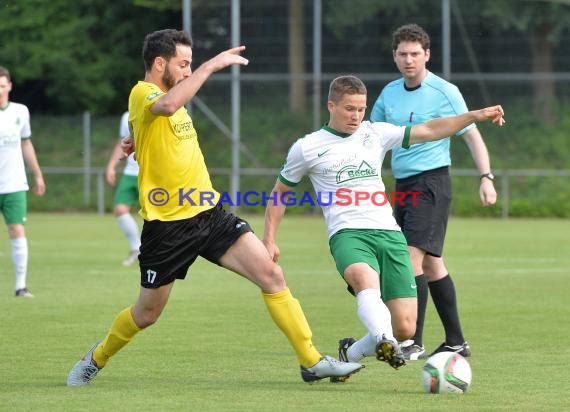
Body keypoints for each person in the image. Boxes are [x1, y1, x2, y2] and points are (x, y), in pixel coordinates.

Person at [67, 29, 363, 387]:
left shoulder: (168, 99)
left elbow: (155, 125)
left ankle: (312, 361)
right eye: (184, 64)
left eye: (192, 64)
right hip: (168, 226)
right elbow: (164, 106)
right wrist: (211, 65)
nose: (189, 71)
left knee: (272, 276)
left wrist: (135, 140)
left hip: (210, 213)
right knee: (146, 314)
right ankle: (95, 358)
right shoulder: (144, 91)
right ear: (159, 63)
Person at [263, 75, 504, 374]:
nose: (356, 116)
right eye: (349, 108)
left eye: (361, 109)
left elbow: (430, 129)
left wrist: (474, 115)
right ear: (331, 105)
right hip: (347, 234)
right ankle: (383, 339)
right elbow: (280, 193)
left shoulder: (375, 133)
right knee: (365, 281)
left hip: (389, 233)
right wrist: (269, 239)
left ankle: (353, 351)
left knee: (405, 328)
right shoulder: (308, 147)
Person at [370, 23, 497, 360]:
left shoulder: (445, 91)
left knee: (410, 258)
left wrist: (486, 176)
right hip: (403, 186)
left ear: (427, 54)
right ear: (394, 57)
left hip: (432, 183)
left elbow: (470, 134)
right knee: (432, 266)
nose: (408, 59)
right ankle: (456, 340)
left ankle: (413, 341)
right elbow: (374, 140)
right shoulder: (388, 93)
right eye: (402, 54)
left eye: (415, 53)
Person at [0, 66, 46, 298]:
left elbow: (26, 144)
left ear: (9, 86)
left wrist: (37, 173)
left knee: (17, 230)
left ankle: (21, 285)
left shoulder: (20, 111)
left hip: (14, 184)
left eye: (2, 85)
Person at [105, 111, 141, 266]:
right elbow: (123, 142)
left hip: (151, 173)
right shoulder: (126, 116)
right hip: (130, 173)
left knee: (156, 215)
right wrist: (111, 166)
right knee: (120, 209)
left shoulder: (160, 111)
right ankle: (137, 249)